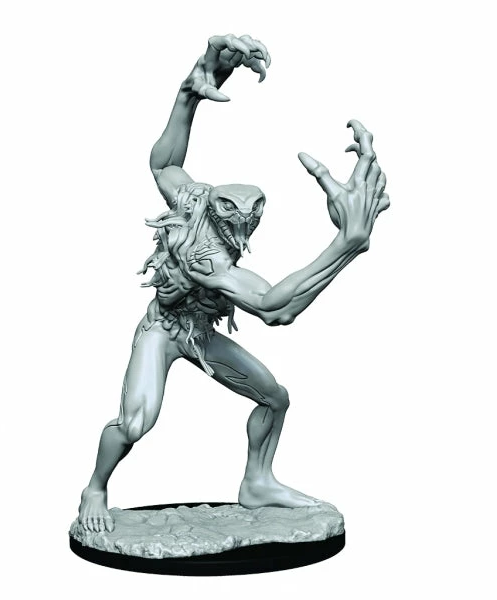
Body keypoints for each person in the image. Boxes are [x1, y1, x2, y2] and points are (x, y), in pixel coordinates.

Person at [78, 34, 389, 532]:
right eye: (232, 209)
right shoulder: (207, 255)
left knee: (274, 398)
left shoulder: (194, 199)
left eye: (254, 210)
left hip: (200, 332)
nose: (243, 218)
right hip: (163, 329)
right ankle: (95, 487)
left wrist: (189, 95)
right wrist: (346, 244)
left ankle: (257, 482)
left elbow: (164, 164)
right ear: (212, 205)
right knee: (134, 423)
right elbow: (273, 308)